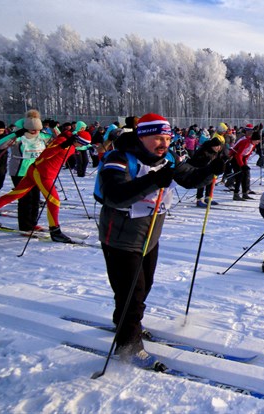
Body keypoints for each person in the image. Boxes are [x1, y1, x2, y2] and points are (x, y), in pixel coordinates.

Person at [93, 113, 224, 367]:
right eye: (157, 138)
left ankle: (128, 324)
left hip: (150, 234)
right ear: (142, 136)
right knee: (131, 292)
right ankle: (128, 344)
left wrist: (210, 171)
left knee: (143, 285)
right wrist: (153, 180)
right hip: (121, 236)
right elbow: (115, 194)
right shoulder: (118, 158)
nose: (163, 143)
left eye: (167, 137)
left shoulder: (168, 159)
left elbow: (189, 178)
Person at [0, 124, 91, 242]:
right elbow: (45, 155)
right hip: (42, 174)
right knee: (53, 201)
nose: (82, 146)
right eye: (82, 143)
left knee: (16, 194)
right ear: (77, 140)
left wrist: (89, 146)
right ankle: (55, 232)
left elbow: (76, 145)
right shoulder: (63, 142)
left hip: (37, 171)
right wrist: (62, 146)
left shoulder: (71, 143)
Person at [228, 125, 261, 201]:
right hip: (234, 158)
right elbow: (238, 154)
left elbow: (246, 155)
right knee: (239, 175)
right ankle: (236, 194)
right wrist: (242, 165)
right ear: (254, 139)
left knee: (246, 174)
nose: (258, 142)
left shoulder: (253, 144)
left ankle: (245, 193)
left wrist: (245, 164)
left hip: (241, 159)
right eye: (257, 140)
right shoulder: (245, 142)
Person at [191, 138, 225, 207]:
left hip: (210, 169)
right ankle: (199, 199)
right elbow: (196, 161)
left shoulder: (216, 151)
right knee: (202, 182)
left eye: (219, 146)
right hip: (199, 169)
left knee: (211, 181)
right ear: (212, 146)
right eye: (217, 146)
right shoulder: (203, 150)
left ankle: (208, 197)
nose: (218, 148)